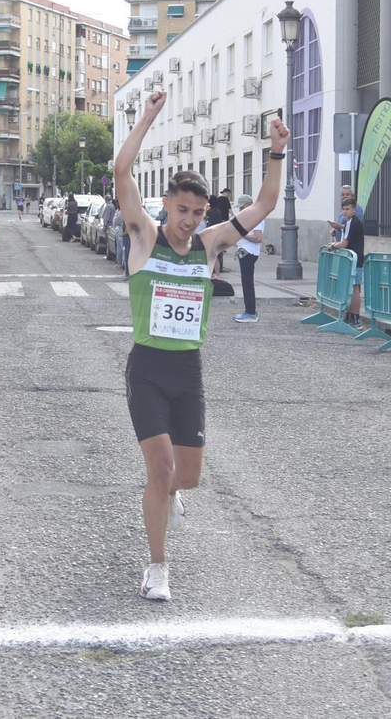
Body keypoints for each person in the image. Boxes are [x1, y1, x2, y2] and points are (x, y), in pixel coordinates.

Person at [112, 89, 289, 602]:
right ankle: (157, 568)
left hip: (188, 372)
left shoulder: (211, 243)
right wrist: (148, 117)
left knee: (186, 477)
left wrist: (276, 151)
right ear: (165, 204)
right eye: (181, 209)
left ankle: (167, 497)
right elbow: (123, 173)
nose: (189, 219)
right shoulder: (145, 237)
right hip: (147, 367)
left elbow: (266, 204)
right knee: (161, 468)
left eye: (197, 211)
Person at [327, 197, 368, 326]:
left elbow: (344, 243)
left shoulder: (352, 222)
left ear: (354, 210)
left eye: (348, 209)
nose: (345, 212)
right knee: (351, 288)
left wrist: (333, 245)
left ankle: (355, 318)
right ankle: (350, 316)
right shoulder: (351, 223)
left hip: (355, 259)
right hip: (354, 257)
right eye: (343, 209)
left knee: (355, 288)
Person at [232, 194, 264, 323]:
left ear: (250, 205)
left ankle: (250, 312)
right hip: (245, 251)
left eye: (242, 207)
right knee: (246, 282)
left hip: (248, 252)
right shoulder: (252, 217)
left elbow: (258, 238)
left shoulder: (256, 218)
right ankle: (250, 310)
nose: (240, 211)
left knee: (247, 282)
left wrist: (242, 234)